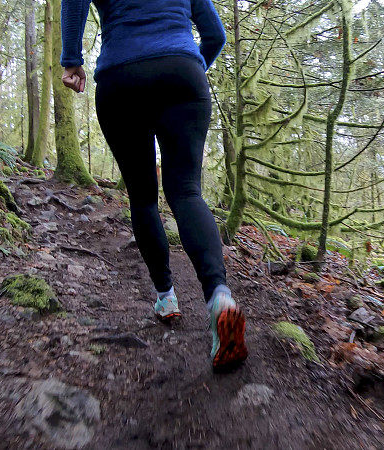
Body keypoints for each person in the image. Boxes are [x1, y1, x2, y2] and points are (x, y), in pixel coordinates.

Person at [59, 0, 247, 371]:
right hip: (182, 71)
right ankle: (219, 297)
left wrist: (72, 57)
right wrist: (188, 66)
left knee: (143, 197)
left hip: (121, 77)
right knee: (186, 191)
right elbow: (216, 34)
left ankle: (166, 297)